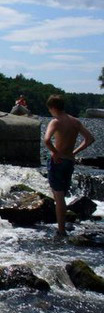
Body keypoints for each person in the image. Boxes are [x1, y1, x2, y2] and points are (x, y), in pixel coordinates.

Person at [43, 95, 94, 237]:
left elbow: (46, 140)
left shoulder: (55, 121)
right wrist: (74, 152)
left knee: (58, 196)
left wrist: (55, 153)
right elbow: (90, 139)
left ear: (52, 108)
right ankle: (63, 226)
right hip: (69, 161)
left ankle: (61, 230)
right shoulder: (75, 121)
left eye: (49, 109)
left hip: (57, 161)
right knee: (62, 195)